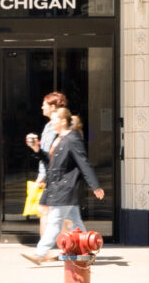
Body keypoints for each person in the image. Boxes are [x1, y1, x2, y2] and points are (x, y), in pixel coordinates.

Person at [25, 95, 102, 265]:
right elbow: (50, 162)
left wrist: (95, 186)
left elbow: (84, 164)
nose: (51, 123)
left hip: (66, 188)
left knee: (55, 221)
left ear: (62, 121)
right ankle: (89, 249)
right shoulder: (59, 139)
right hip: (59, 187)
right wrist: (36, 149)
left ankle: (39, 253)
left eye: (54, 120)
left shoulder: (73, 139)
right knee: (75, 222)